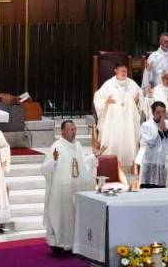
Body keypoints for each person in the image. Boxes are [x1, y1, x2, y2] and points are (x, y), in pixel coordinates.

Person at [41, 120, 96, 254]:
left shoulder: (78, 145)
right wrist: (53, 160)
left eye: (75, 129)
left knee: (74, 216)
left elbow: (83, 163)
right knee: (62, 216)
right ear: (63, 131)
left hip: (75, 188)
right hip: (61, 191)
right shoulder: (57, 146)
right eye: (71, 129)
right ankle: (59, 245)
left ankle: (73, 244)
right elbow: (45, 169)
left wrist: (94, 156)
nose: (74, 132)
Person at [92, 64, 142, 171]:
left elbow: (141, 96)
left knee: (129, 141)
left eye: (125, 71)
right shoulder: (109, 84)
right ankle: (111, 166)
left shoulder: (132, 84)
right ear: (116, 71)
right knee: (113, 141)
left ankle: (129, 167)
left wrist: (137, 101)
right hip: (113, 120)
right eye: (121, 71)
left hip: (129, 119)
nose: (124, 73)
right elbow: (97, 97)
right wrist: (106, 101)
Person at [135, 101, 168, 189]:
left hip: (166, 162)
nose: (161, 114)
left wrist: (166, 130)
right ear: (152, 113)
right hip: (152, 161)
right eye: (158, 112)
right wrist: (159, 130)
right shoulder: (146, 125)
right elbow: (150, 142)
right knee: (150, 190)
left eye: (163, 112)